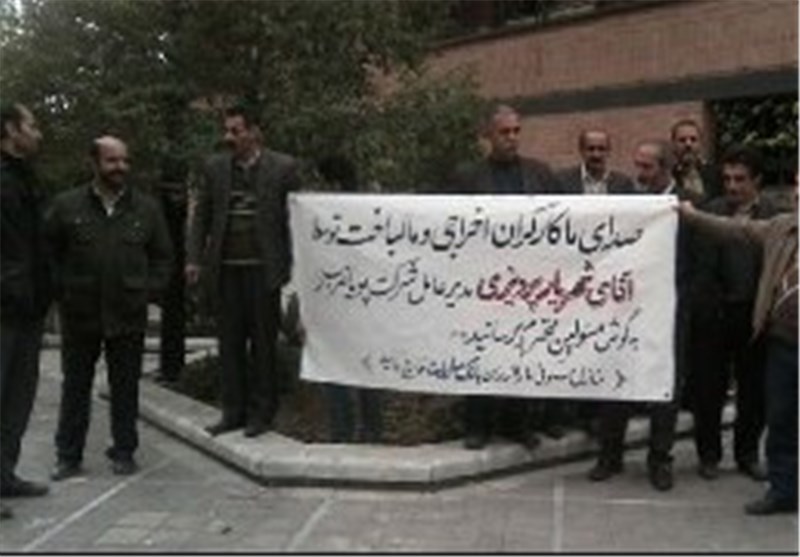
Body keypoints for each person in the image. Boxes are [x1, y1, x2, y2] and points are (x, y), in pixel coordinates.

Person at [47, 136, 173, 480]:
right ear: (94, 163)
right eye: (112, 161)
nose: (121, 167)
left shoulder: (146, 208)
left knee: (126, 387)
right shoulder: (66, 206)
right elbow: (48, 254)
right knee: (75, 387)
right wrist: (62, 292)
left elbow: (163, 258)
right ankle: (68, 456)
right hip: (80, 312)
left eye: (125, 161)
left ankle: (124, 451)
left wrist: (146, 292)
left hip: (128, 313)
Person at [442, 104, 564, 450]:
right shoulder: (467, 177)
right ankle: (477, 426)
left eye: (516, 131)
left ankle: (517, 424)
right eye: (504, 132)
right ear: (488, 136)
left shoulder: (540, 174)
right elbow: (447, 224)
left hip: (527, 283)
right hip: (483, 283)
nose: (512, 138)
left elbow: (563, 219)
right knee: (480, 351)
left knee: (521, 351)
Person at [678, 175, 797, 515]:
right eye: (797, 187)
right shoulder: (781, 228)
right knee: (781, 420)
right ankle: (783, 491)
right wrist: (692, 216)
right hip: (783, 343)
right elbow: (734, 229)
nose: (798, 193)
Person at [186, 105, 301, 438]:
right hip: (225, 271)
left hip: (264, 271)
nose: (229, 137)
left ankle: (262, 413)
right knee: (230, 344)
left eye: (236, 131)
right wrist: (194, 258)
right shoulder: (215, 168)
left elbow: (296, 216)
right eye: (227, 130)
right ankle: (232, 412)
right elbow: (201, 217)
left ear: (254, 132)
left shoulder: (283, 168)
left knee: (263, 344)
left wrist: (296, 264)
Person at [588, 140, 685, 491]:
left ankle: (660, 460)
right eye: (637, 165)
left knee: (663, 389)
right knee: (617, 379)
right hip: (626, 309)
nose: (639, 174)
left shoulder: (687, 206)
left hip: (669, 314)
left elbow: (696, 264)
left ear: (666, 168)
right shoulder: (628, 202)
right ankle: (609, 455)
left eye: (647, 167)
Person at [686, 145, 779, 481]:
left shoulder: (773, 216)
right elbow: (700, 267)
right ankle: (708, 455)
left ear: (757, 180)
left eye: (740, 179)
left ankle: (747, 454)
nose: (732, 186)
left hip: (755, 317)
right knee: (708, 390)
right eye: (727, 179)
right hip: (715, 316)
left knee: (754, 392)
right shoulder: (709, 211)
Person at [0, 102, 50, 518]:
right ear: (10, 129)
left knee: (18, 397)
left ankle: (3, 475)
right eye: (31, 125)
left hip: (27, 308)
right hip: (5, 308)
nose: (38, 132)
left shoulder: (25, 178)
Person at [316, 155, 383, 443]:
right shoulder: (366, 209)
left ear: (331, 183)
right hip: (364, 300)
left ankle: (343, 432)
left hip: (340, 302)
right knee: (365, 368)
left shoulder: (325, 214)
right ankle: (371, 431)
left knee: (336, 369)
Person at [155, 156, 189, 384]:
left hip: (176, 260)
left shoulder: (165, 201)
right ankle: (171, 367)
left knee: (173, 314)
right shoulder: (162, 203)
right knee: (172, 314)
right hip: (170, 259)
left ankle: (172, 367)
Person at [557, 128, 635, 195]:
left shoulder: (623, 184)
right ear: (581, 151)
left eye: (601, 149)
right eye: (591, 149)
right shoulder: (562, 181)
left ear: (608, 151)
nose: (596, 155)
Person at [671, 118, 723, 203]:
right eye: (682, 140)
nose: (688, 144)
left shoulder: (716, 173)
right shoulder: (669, 176)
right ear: (673, 144)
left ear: (701, 143)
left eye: (693, 139)